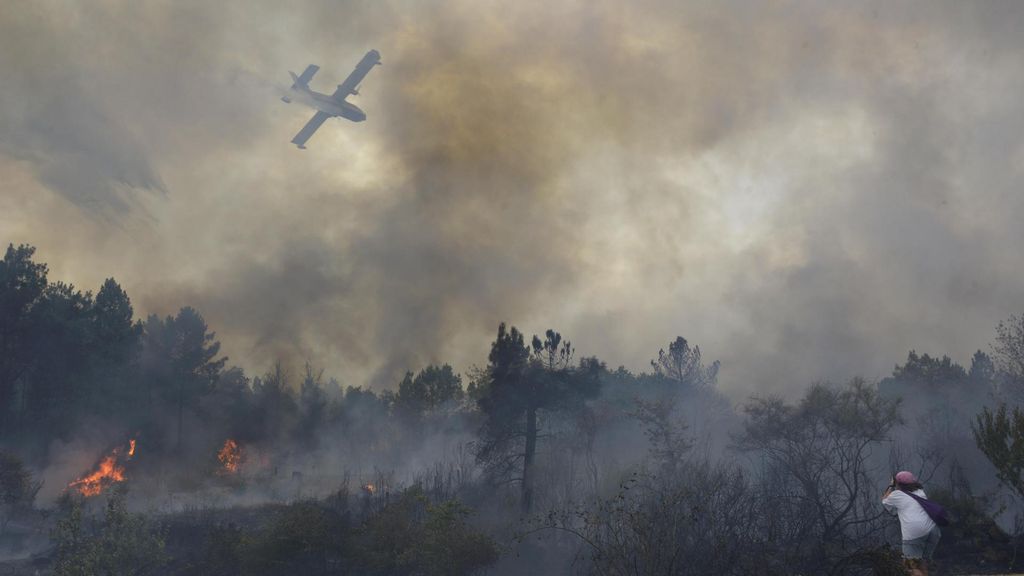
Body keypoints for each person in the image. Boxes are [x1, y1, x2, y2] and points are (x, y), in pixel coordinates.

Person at [882, 470, 941, 576]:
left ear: (898, 483)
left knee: (910, 567)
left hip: (914, 535)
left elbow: (884, 500)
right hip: (933, 531)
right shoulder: (920, 492)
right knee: (921, 561)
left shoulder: (897, 495)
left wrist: (891, 485)